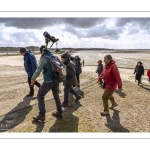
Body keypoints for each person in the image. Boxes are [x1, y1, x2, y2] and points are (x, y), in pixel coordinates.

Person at [31, 45, 63, 121]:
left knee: (40, 95)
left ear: (42, 51)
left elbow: (38, 70)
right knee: (56, 96)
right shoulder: (55, 56)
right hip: (56, 79)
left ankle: (42, 115)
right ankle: (59, 111)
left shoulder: (44, 58)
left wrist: (33, 78)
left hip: (48, 81)